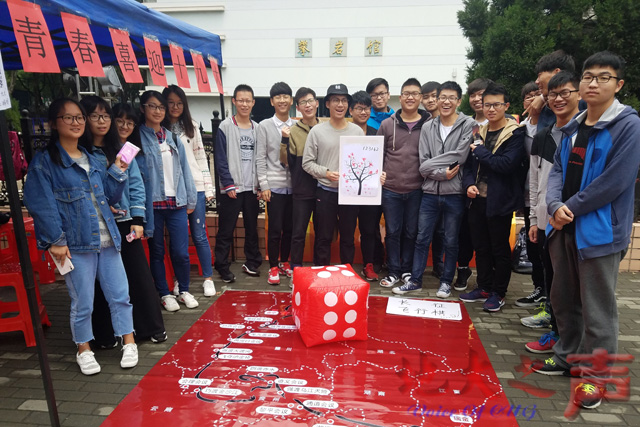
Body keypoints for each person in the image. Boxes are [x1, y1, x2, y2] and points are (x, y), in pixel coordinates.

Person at [532, 52, 640, 412]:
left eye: (603, 77)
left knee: (598, 308)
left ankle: (597, 376)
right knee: (563, 298)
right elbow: (557, 170)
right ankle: (567, 356)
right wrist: (553, 205)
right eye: (589, 76)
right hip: (563, 226)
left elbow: (616, 181)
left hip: (599, 231)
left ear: (618, 84)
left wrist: (570, 208)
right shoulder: (574, 125)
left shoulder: (627, 126)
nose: (594, 83)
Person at [23, 98, 138, 375]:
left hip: (107, 239)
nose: (76, 123)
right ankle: (83, 349)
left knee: (120, 296)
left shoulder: (92, 158)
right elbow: (41, 204)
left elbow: (108, 196)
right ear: (54, 123)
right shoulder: (45, 163)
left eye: (79, 118)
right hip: (75, 244)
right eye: (68, 117)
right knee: (83, 301)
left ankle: (129, 342)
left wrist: (118, 170)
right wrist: (56, 240)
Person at [80, 97, 167, 346]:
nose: (102, 121)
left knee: (138, 275)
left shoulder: (124, 149)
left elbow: (137, 186)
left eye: (105, 116)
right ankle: (105, 334)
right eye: (95, 116)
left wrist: (138, 219)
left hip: (125, 220)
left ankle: (149, 328)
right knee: (99, 282)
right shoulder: (81, 152)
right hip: (95, 223)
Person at [398, 81, 474, 297]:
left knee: (451, 240)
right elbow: (422, 160)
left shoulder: (468, 124)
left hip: (455, 193)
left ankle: (446, 282)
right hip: (430, 193)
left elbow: (460, 156)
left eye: (451, 98)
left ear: (459, 101)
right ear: (437, 100)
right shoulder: (428, 126)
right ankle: (415, 280)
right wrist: (440, 172)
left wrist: (429, 166)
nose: (446, 102)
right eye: (443, 97)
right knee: (422, 238)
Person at [523, 71, 580, 353]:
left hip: (577, 221)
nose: (557, 99)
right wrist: (535, 218)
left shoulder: (587, 134)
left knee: (575, 287)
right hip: (547, 220)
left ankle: (572, 343)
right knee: (554, 280)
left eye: (564, 93)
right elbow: (535, 181)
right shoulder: (544, 135)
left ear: (578, 94)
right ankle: (557, 335)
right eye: (551, 94)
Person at [459, 83, 526, 312]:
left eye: (496, 105)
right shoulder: (480, 131)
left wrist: (480, 151)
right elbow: (469, 166)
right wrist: (469, 184)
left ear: (506, 106)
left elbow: (506, 164)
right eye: (487, 105)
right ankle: (484, 287)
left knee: (499, 249)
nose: (491, 109)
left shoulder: (515, 133)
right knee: (481, 247)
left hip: (500, 201)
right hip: (477, 199)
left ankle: (499, 292)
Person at [138, 90, 198, 311]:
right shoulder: (137, 137)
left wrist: (191, 198)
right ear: (143, 108)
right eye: (152, 106)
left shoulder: (172, 137)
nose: (157, 111)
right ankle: (164, 293)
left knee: (181, 251)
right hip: (152, 204)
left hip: (176, 202)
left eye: (161, 107)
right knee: (157, 252)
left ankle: (184, 290)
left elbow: (185, 169)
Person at [376, 78, 431, 289]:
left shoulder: (429, 125)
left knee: (411, 232)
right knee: (392, 232)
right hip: (390, 189)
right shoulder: (387, 124)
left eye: (415, 93)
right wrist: (379, 175)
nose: (410, 97)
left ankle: (407, 270)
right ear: (400, 97)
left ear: (420, 98)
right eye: (406, 93)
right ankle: (393, 271)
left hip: (417, 189)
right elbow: (377, 154)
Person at [162, 85, 216, 297]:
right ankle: (179, 280)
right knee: (177, 239)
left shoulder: (191, 126)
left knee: (199, 234)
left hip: (195, 186)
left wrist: (208, 186)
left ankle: (208, 278)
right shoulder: (159, 128)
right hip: (171, 190)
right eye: (171, 103)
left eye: (179, 103)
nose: (175, 107)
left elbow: (201, 157)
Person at [302, 84, 364, 265]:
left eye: (344, 100)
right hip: (325, 192)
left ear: (348, 105)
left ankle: (347, 273)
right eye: (335, 100)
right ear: (327, 104)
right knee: (323, 237)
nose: (340, 104)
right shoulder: (317, 131)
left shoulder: (357, 132)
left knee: (348, 238)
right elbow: (307, 163)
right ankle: (321, 273)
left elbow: (364, 162)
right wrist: (326, 173)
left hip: (349, 194)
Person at [214, 84, 262, 281]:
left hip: (252, 187)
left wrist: (260, 184)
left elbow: (261, 158)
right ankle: (222, 265)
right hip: (232, 188)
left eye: (248, 101)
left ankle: (252, 262)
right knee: (226, 229)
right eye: (240, 100)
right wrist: (228, 184)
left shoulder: (257, 128)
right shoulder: (225, 126)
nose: (244, 104)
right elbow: (220, 159)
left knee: (252, 228)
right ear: (234, 101)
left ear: (253, 103)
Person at [256, 82, 295, 285]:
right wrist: (264, 185)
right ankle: (272, 266)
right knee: (275, 229)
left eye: (285, 96)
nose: (282, 100)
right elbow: (260, 157)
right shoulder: (264, 126)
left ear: (291, 100)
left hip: (294, 187)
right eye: (278, 97)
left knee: (290, 228)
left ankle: (285, 262)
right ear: (272, 101)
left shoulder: (296, 126)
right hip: (274, 187)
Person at [515, 82, 546, 310]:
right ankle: (539, 288)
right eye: (528, 96)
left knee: (547, 248)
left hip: (548, 197)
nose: (533, 99)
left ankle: (549, 293)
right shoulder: (521, 128)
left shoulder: (553, 125)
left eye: (538, 95)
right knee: (533, 245)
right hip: (528, 196)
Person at [281, 87, 319, 272]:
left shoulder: (325, 128)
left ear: (317, 103)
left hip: (324, 189)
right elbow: (286, 162)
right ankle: (296, 268)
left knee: (323, 233)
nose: (308, 105)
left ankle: (320, 268)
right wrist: (284, 141)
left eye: (310, 101)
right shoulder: (293, 131)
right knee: (298, 233)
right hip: (301, 189)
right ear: (298, 107)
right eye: (303, 102)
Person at [349, 90, 382, 281]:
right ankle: (346, 266)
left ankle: (369, 265)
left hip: (370, 191)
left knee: (369, 230)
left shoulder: (376, 134)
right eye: (359, 108)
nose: (364, 112)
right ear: (351, 110)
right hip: (347, 191)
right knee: (347, 231)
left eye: (367, 108)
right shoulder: (344, 132)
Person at [421, 80, 445, 278]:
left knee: (443, 231)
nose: (430, 100)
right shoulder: (424, 124)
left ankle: (440, 265)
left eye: (434, 96)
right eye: (426, 97)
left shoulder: (456, 123)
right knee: (425, 231)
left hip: (450, 185)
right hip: (427, 185)